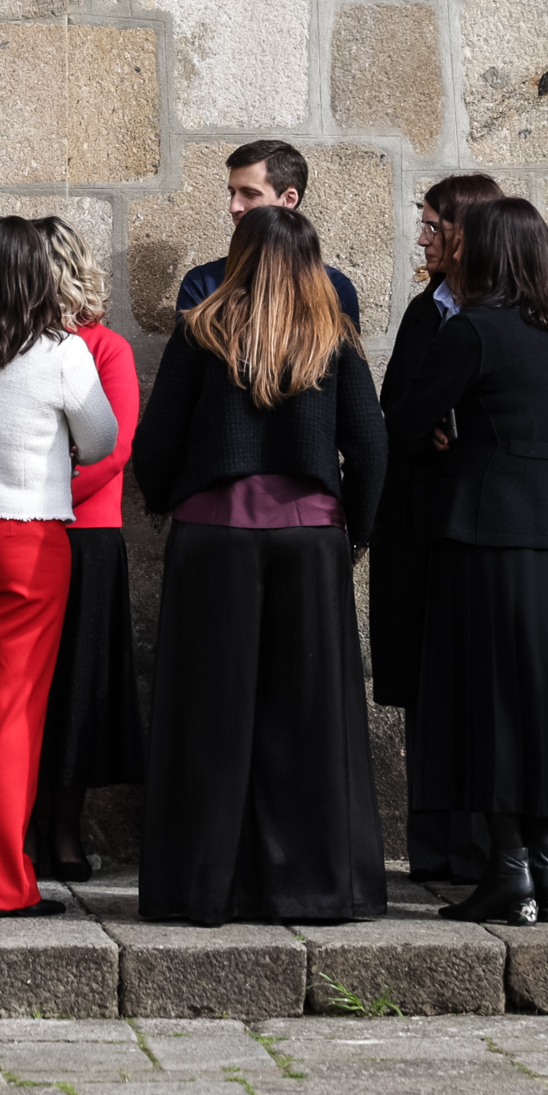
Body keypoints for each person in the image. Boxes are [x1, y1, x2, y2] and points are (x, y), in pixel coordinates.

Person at [130, 207, 388, 928]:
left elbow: (156, 442)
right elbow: (371, 445)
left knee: (207, 715)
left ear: (238, 256)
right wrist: (356, 531)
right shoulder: (334, 333)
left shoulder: (201, 329)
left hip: (214, 535)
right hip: (310, 537)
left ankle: (203, 889)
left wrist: (169, 500)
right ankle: (314, 889)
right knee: (310, 718)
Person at [382, 197, 548, 928]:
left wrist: (437, 426)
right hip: (542, 541)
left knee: (485, 703)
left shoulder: (473, 330)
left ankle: (505, 867)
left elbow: (402, 416)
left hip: (477, 536)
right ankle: (543, 863)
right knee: (535, 703)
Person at [0, 216, 119, 917]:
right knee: (12, 711)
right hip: (25, 537)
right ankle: (0, 883)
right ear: (39, 274)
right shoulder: (61, 351)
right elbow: (102, 439)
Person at [378, 173, 505, 884]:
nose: (422, 239)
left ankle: (481, 848)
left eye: (434, 227)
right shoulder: (426, 311)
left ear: (468, 233)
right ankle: (433, 847)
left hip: (478, 528)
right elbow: (394, 408)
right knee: (426, 687)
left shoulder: (504, 313)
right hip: (420, 522)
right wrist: (420, 427)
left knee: (477, 690)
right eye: (423, 224)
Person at [27, 217, 143, 884]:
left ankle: (65, 826)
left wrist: (47, 490)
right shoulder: (9, 343)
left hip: (84, 534)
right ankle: (18, 823)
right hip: (21, 531)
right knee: (26, 686)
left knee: (76, 686)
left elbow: (114, 447)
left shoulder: (106, 348)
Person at [174, 139, 364, 329]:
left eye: (250, 194)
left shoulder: (333, 288)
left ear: (289, 199)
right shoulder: (202, 283)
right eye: (232, 193)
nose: (234, 207)